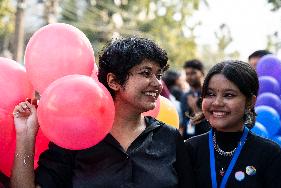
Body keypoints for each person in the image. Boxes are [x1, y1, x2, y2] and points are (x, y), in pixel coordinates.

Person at [11, 37, 195, 188]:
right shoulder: (76, 136)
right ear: (114, 81)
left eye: (159, 75)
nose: (158, 84)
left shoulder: (169, 137)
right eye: (146, 73)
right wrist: (25, 135)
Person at [185, 60, 281, 188]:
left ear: (250, 102)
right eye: (210, 94)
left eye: (229, 95)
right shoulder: (189, 149)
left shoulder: (270, 154)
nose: (217, 102)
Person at [180, 59, 210, 139]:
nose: (190, 77)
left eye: (193, 73)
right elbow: (183, 121)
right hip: (188, 140)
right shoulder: (184, 96)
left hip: (206, 138)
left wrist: (195, 108)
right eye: (187, 74)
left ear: (202, 73)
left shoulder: (209, 94)